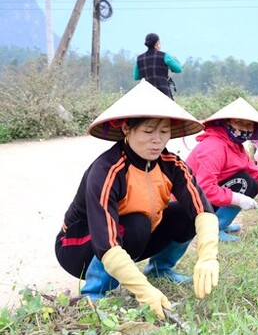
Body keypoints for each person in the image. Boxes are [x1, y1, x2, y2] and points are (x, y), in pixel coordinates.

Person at [55, 80, 219, 319]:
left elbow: (202, 210)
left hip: (133, 238)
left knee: (183, 214)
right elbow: (107, 240)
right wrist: (143, 291)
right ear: (126, 129)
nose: (157, 140)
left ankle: (160, 270)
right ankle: (94, 293)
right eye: (148, 131)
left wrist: (207, 256)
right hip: (79, 247)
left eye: (164, 131)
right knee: (136, 223)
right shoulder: (108, 170)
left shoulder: (172, 165)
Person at [185, 98, 258, 242]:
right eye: (239, 123)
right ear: (226, 123)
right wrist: (237, 198)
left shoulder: (235, 145)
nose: (244, 128)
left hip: (206, 197)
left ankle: (221, 224)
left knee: (251, 181)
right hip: (189, 203)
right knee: (245, 182)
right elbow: (204, 188)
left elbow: (253, 170)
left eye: (249, 125)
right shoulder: (214, 146)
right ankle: (213, 230)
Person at [133, 33, 182, 99]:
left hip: (147, 95)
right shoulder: (164, 56)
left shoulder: (139, 58)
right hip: (163, 93)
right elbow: (179, 69)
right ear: (157, 43)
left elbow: (136, 77)